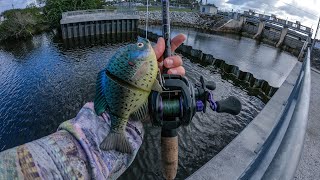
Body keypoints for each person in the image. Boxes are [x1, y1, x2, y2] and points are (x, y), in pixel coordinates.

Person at [0, 34, 186, 180]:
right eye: (139, 46)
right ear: (132, 61)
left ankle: (117, 130)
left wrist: (153, 99)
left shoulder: (140, 63)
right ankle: (117, 132)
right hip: (128, 108)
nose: (143, 44)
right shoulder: (143, 62)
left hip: (127, 104)